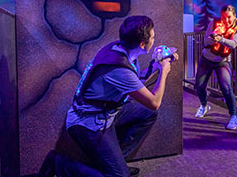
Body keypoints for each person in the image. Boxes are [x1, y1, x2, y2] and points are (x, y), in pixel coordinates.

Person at [39, 15, 178, 177]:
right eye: (153, 37)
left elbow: (136, 82)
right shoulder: (119, 68)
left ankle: (116, 162)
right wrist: (164, 72)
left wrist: (156, 66)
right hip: (88, 123)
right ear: (142, 44)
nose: (154, 41)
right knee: (119, 176)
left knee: (147, 114)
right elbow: (154, 102)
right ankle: (58, 163)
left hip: (107, 113)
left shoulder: (120, 50)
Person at [194, 5, 237, 130]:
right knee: (199, 85)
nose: (226, 20)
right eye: (223, 17)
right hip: (206, 59)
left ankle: (234, 116)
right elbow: (206, 41)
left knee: (226, 88)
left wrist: (220, 39)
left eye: (228, 17)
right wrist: (213, 38)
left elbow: (233, 44)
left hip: (223, 61)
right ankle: (204, 105)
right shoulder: (214, 23)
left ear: (234, 16)